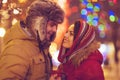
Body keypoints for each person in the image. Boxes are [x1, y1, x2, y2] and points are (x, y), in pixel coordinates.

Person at [0, 0, 64, 80]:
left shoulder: (40, 47)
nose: (54, 30)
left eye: (56, 26)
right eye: (51, 25)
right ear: (38, 23)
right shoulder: (18, 48)